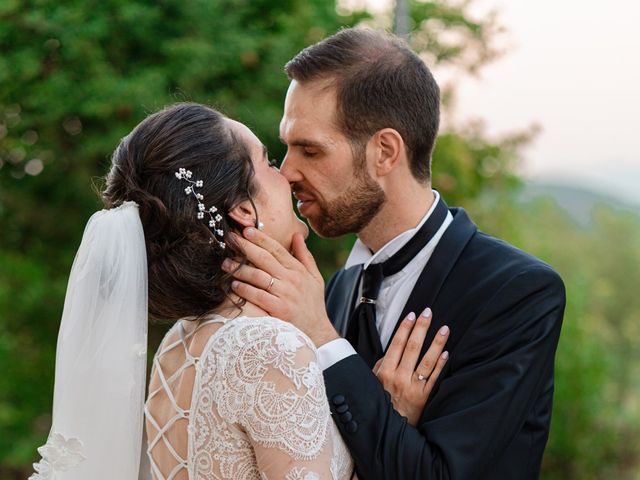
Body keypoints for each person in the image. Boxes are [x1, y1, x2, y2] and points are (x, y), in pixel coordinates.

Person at [29, 102, 446, 480]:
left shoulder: (178, 344)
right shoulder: (269, 347)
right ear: (244, 210)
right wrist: (394, 421)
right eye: (267, 162)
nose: (286, 175)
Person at [227, 28, 566, 479]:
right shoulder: (334, 290)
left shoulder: (517, 293)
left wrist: (324, 341)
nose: (287, 173)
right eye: (287, 147)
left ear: (384, 152)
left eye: (309, 149)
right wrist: (388, 417)